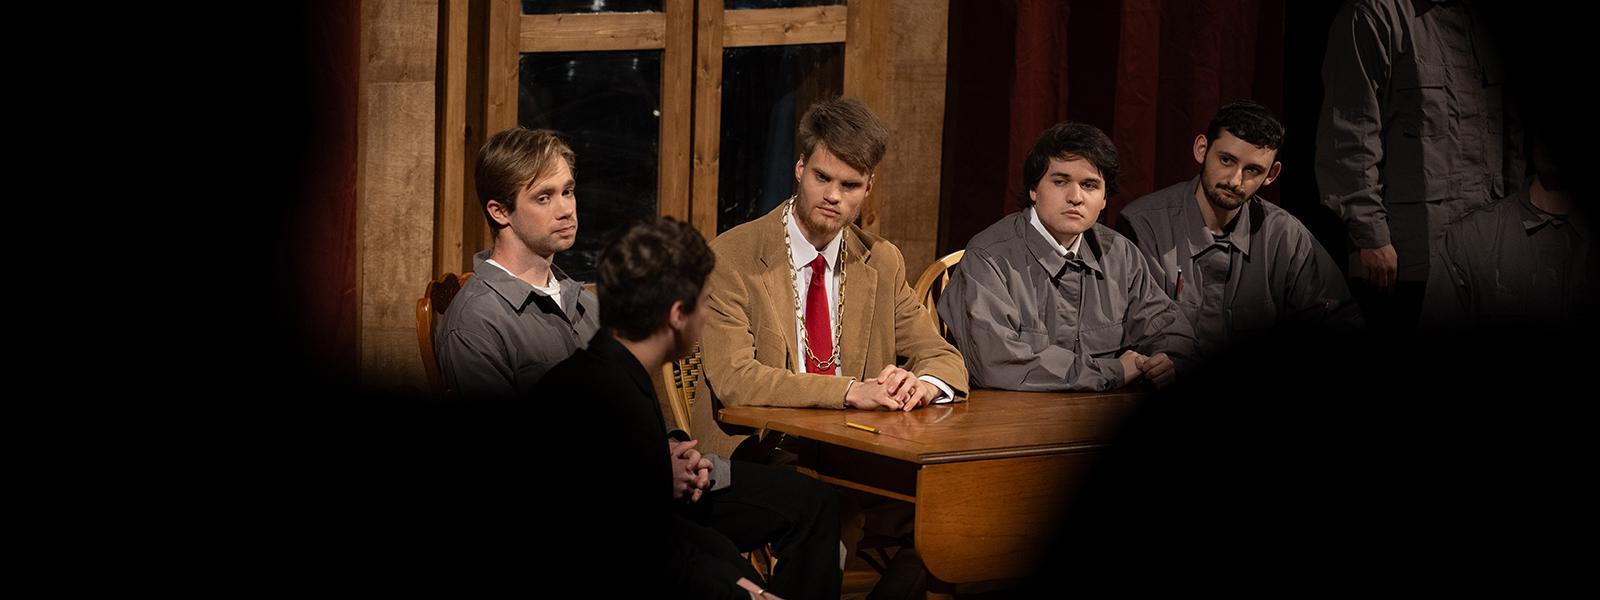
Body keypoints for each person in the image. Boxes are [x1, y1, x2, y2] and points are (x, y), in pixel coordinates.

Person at [538, 217, 840, 600]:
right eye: (704, 303)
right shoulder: (608, 402)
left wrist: (746, 585)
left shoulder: (611, 371)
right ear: (678, 314)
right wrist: (745, 592)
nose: (707, 317)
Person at [701, 96, 967, 412]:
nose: (832, 196)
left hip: (856, 444)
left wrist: (921, 385)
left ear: (868, 188)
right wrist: (849, 391)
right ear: (800, 168)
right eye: (822, 177)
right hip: (760, 447)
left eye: (850, 185)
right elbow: (736, 379)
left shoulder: (882, 260)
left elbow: (942, 357)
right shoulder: (732, 257)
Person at [938, 121, 1196, 392]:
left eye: (1090, 185)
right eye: (1060, 181)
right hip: (1009, 420)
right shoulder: (988, 257)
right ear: (1034, 190)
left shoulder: (1120, 253)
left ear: (1105, 198)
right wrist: (1114, 371)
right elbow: (994, 364)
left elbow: (1169, 329)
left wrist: (1169, 362)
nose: (1075, 197)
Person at [1316, 0, 1522, 338]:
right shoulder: (1373, 15)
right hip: (1408, 257)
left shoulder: (1486, 23)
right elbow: (1349, 133)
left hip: (1487, 250)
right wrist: (1369, 233)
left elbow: (1510, 139)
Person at [1117, 101, 1360, 359]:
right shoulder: (1143, 225)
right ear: (1202, 150)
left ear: (1271, 174)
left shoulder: (1284, 234)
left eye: (1252, 170)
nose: (1235, 180)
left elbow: (1340, 324)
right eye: (1226, 160)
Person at [434, 127, 599, 399]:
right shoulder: (475, 323)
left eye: (567, 192)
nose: (566, 210)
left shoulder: (588, 306)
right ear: (499, 212)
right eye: (543, 198)